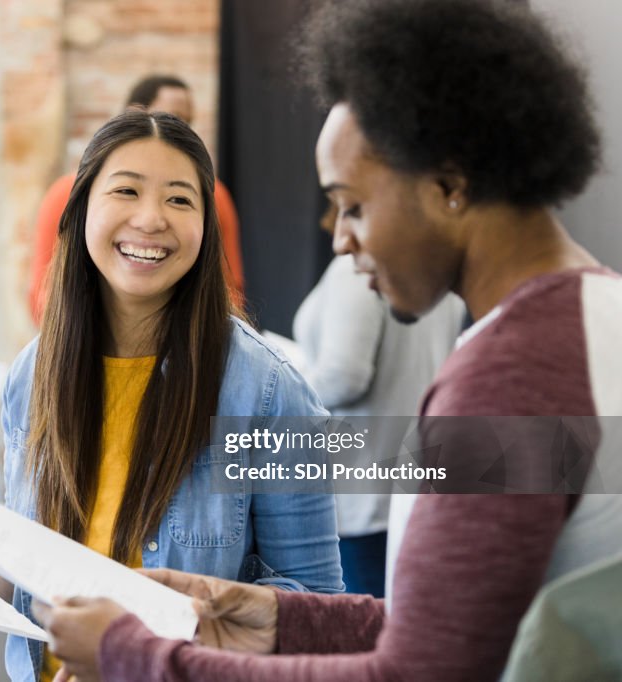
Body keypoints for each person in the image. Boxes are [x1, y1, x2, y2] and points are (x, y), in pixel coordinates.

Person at [31, 1, 622, 679]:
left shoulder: (508, 378)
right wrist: (282, 618)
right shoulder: (592, 309)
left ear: (450, 186)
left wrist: (130, 653)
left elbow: (414, 674)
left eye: (354, 204)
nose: (340, 238)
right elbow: (465, 626)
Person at [0, 110, 343, 682]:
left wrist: (151, 647)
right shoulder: (34, 372)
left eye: (180, 200)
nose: (150, 218)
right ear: (83, 206)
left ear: (206, 227)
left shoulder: (266, 391)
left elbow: (317, 606)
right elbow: (37, 557)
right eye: (127, 190)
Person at [292, 205, 465, 597]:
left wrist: (281, 390)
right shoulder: (440, 269)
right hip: (416, 475)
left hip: (365, 487)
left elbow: (344, 375)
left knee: (369, 629)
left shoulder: (356, 270)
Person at [28, 74, 245, 325]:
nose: (150, 221)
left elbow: (231, 288)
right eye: (171, 117)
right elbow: (42, 293)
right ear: (134, 116)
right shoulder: (63, 195)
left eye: (178, 200)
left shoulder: (216, 197)